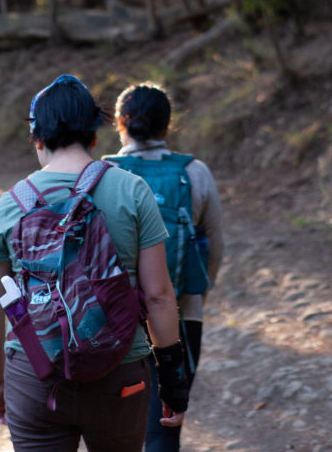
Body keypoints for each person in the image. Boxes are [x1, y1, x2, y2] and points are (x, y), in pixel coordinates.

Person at [0, 73, 189, 452]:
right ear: (94, 134)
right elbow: (158, 296)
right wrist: (173, 382)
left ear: (37, 138)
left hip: (34, 376)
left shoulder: (10, 203)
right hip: (121, 374)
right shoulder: (131, 190)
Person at [109, 82, 225, 452]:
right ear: (168, 125)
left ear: (120, 123)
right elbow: (215, 248)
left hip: (113, 320)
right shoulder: (195, 173)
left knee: (114, 429)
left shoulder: (102, 173)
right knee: (164, 426)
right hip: (180, 315)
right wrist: (196, 297)